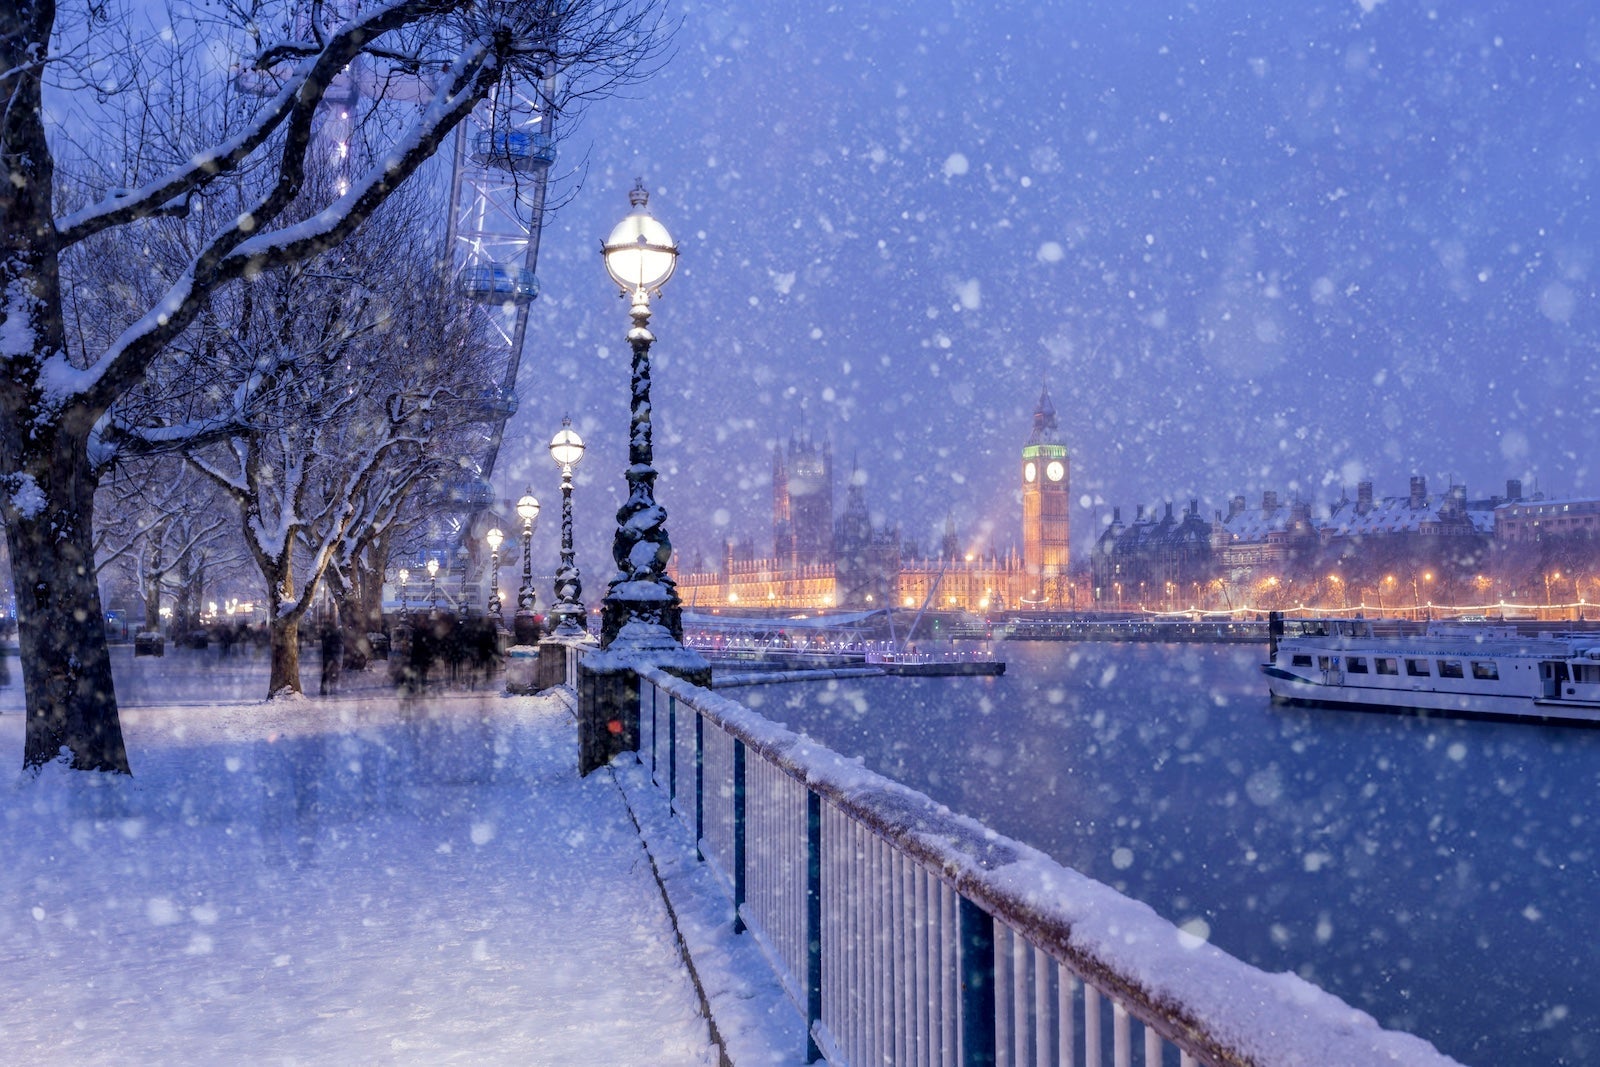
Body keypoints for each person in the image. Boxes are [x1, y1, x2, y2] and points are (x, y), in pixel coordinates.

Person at [319, 623, 343, 695]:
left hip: (328, 656)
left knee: (327, 673)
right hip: (333, 655)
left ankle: (325, 689)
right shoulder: (336, 634)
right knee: (333, 672)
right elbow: (339, 644)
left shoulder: (326, 635)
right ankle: (331, 688)